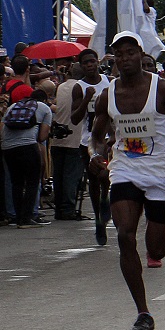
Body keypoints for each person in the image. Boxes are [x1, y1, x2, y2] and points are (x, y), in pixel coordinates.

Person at [88, 31, 165, 330]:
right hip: (125, 168)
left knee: (156, 248)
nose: (125, 59)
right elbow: (97, 134)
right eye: (119, 55)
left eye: (130, 53)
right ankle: (143, 313)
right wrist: (97, 155)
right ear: (114, 59)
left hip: (161, 172)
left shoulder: (162, 88)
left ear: (140, 54)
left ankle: (162, 236)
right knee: (125, 235)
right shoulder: (107, 95)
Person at [71, 49, 112, 245]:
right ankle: (98, 219)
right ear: (81, 65)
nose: (89, 65)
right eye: (85, 63)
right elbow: (74, 118)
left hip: (108, 138)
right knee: (94, 179)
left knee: (107, 176)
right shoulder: (79, 87)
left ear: (97, 62)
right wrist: (87, 99)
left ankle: (106, 197)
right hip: (88, 140)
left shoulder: (108, 81)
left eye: (92, 61)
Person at [3, 85, 52, 228]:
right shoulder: (45, 108)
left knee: (16, 182)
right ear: (45, 99)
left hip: (8, 147)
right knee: (32, 181)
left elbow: (3, 126)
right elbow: (42, 136)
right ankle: (27, 218)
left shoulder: (13, 106)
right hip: (28, 147)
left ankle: (18, 217)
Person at [51, 63, 85, 220]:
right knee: (71, 176)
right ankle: (68, 208)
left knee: (58, 176)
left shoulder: (61, 87)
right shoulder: (82, 88)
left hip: (58, 137)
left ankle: (59, 208)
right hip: (75, 138)